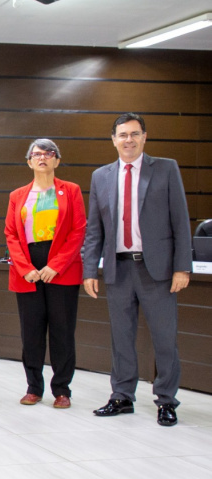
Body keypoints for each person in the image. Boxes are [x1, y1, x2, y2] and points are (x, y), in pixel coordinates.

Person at [83, 113, 192, 426]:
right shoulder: (101, 176)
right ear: (113, 139)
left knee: (164, 339)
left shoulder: (166, 168)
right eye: (122, 135)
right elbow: (95, 230)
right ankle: (121, 396)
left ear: (144, 137)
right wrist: (90, 269)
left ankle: (167, 401)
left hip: (156, 270)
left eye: (134, 134)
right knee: (121, 338)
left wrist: (182, 266)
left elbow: (181, 221)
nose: (128, 140)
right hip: (118, 270)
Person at [4, 139, 86, 409]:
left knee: (63, 331)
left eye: (49, 153)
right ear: (28, 162)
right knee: (32, 331)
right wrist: (25, 268)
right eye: (36, 154)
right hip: (27, 268)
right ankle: (33, 387)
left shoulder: (70, 190)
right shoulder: (17, 195)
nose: (42, 158)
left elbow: (77, 231)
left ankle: (62, 390)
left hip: (61, 267)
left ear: (57, 160)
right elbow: (12, 234)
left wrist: (57, 265)